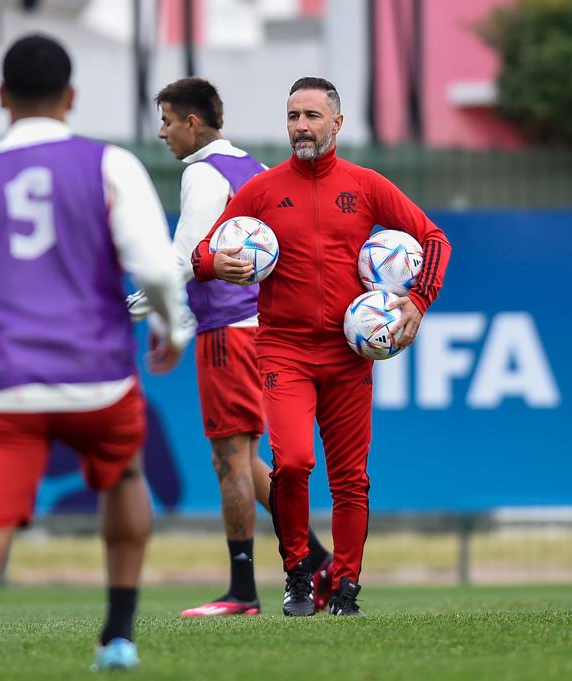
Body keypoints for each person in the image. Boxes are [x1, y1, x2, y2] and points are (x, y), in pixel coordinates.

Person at [0, 34, 191, 679]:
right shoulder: (108, 164)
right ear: (71, 97)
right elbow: (155, 268)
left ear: (0, 97)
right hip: (97, 380)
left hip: (2, 389)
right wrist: (172, 332)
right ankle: (118, 636)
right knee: (123, 474)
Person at [192, 77, 450, 616]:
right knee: (292, 464)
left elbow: (434, 239)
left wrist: (418, 303)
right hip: (282, 350)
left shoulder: (367, 185)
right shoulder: (263, 190)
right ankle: (299, 575)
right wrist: (218, 263)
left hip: (349, 353)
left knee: (351, 478)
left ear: (337, 123)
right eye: (292, 117)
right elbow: (201, 253)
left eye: (311, 116)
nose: (301, 127)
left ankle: (348, 587)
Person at [147, 77, 333, 617]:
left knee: (229, 458)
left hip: (228, 329)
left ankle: (243, 591)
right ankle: (317, 560)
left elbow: (185, 259)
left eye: (166, 121)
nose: (161, 133)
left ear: (192, 123)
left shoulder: (203, 172)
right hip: (257, 324)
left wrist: (134, 307)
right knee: (246, 458)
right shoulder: (248, 167)